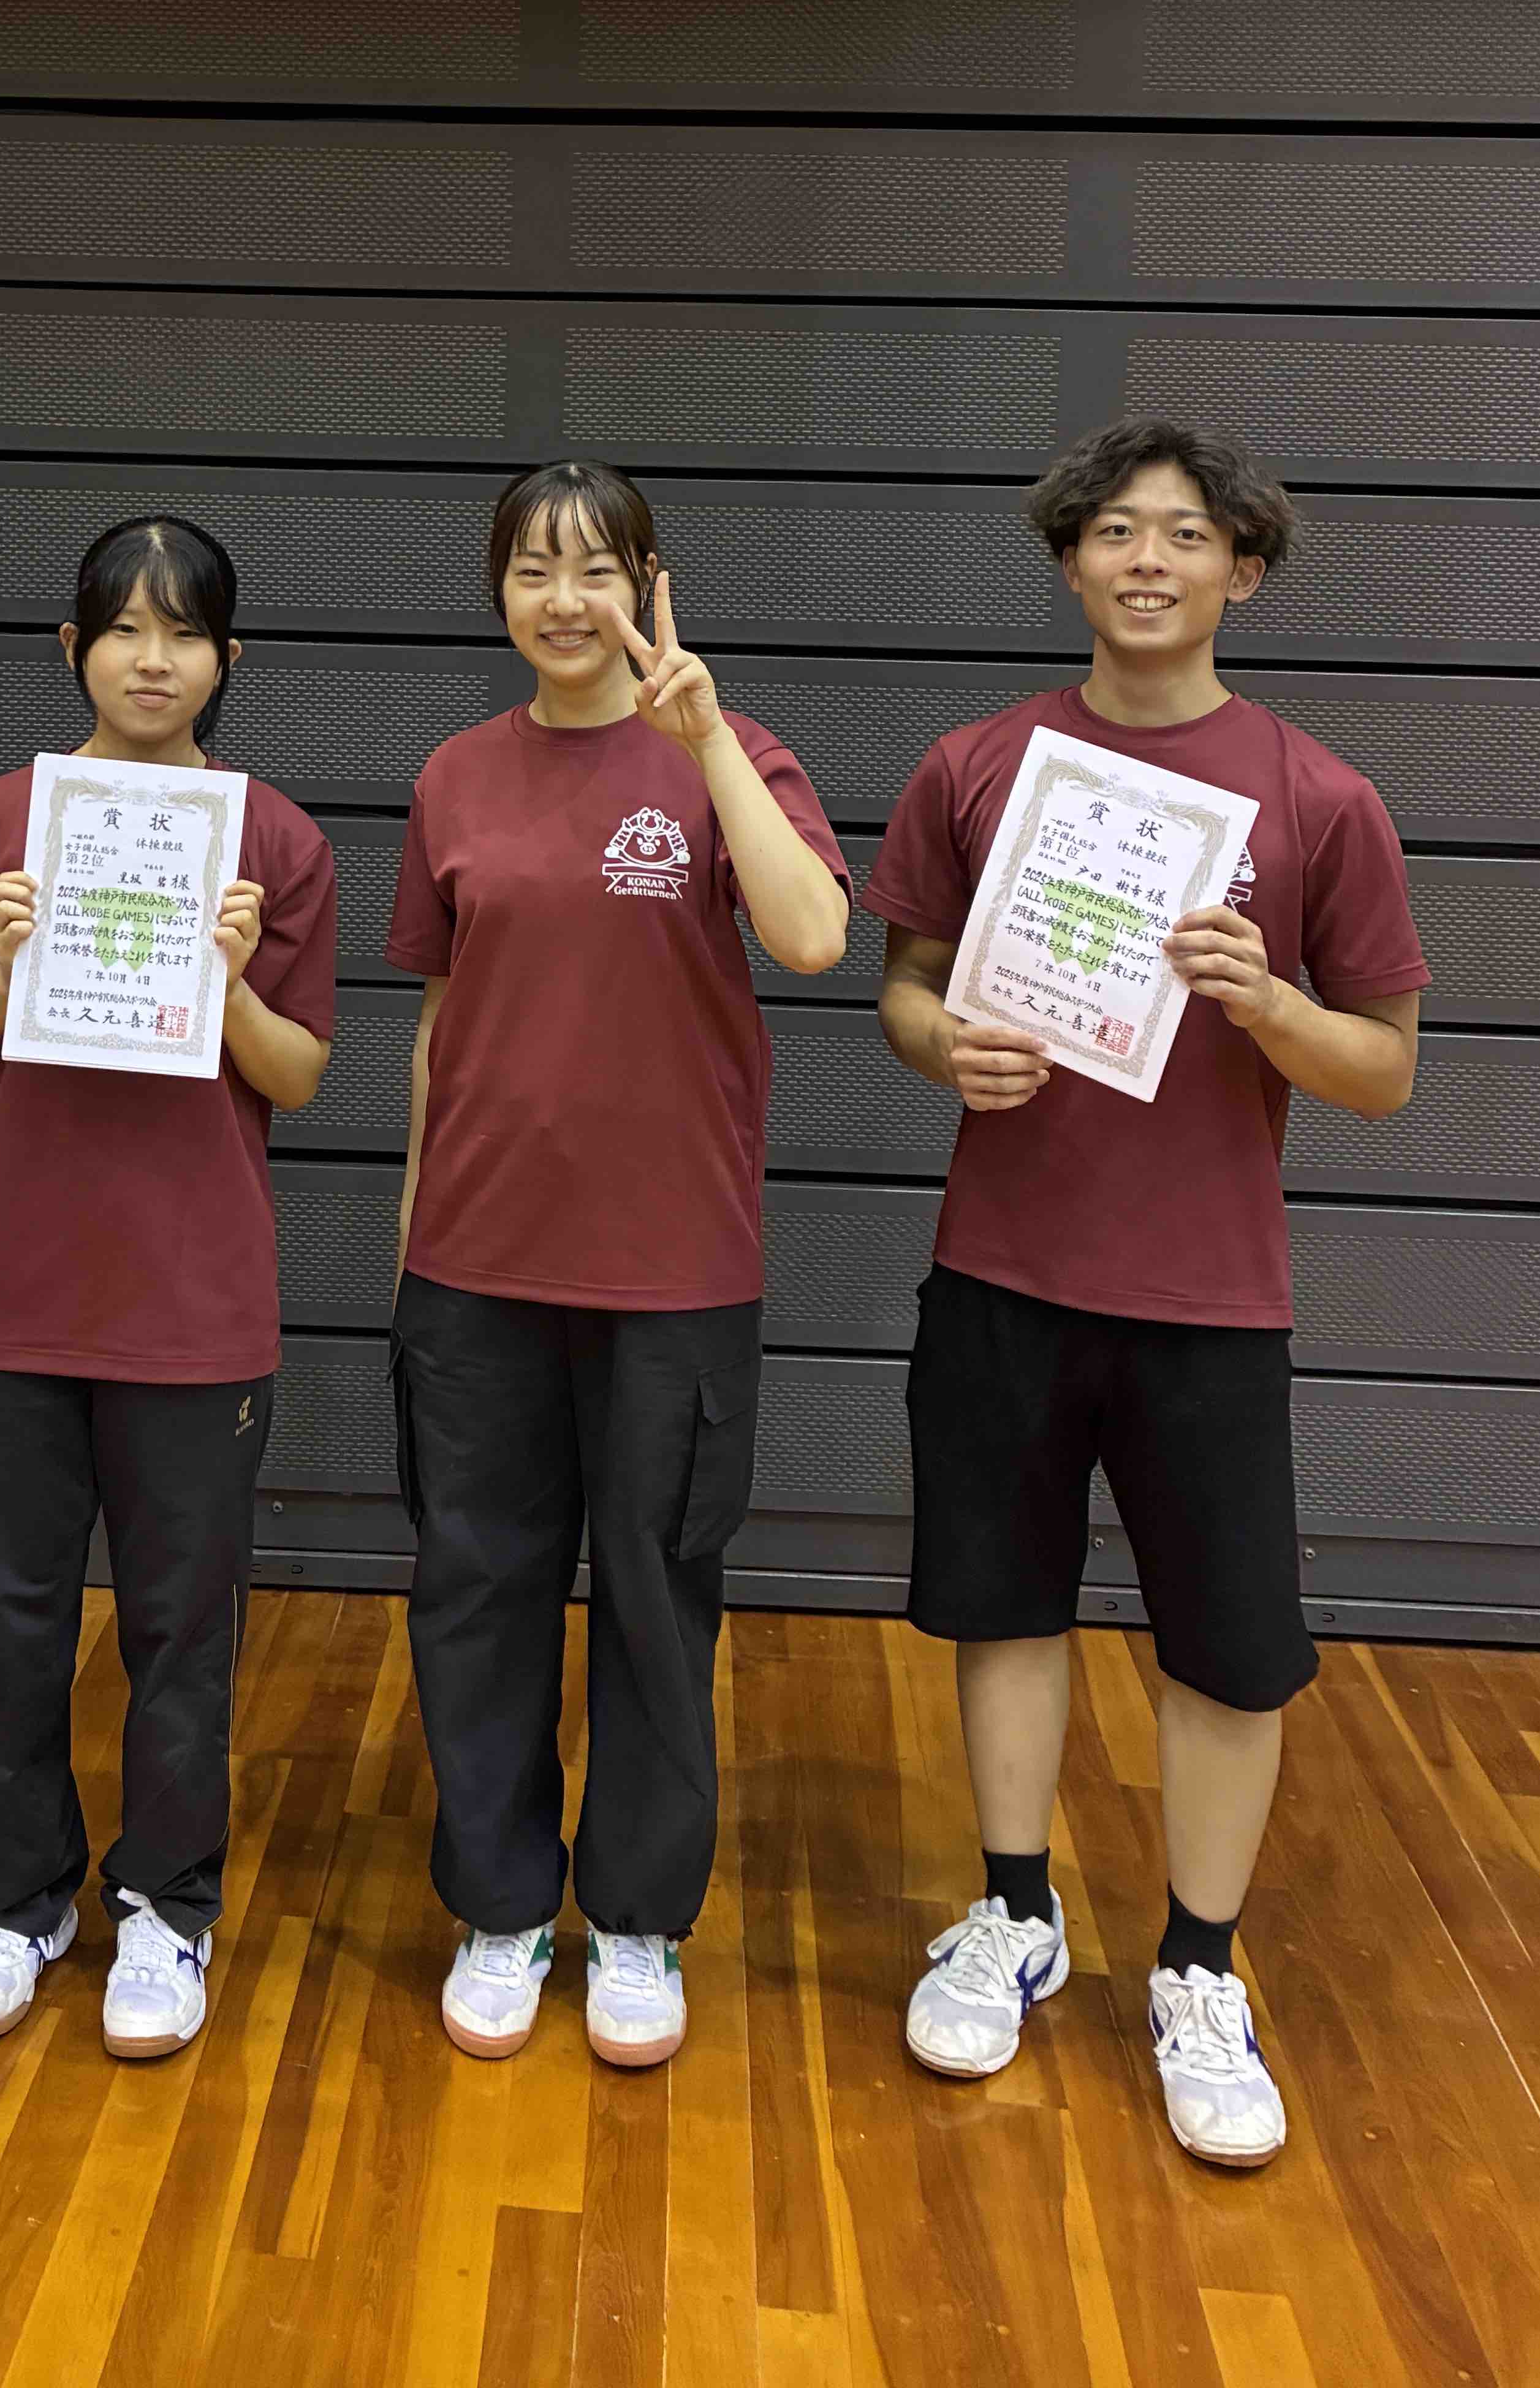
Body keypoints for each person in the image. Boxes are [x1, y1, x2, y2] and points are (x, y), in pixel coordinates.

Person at [867, 420, 1428, 2167]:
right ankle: (1014, 1912)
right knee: (1004, 1607)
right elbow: (904, 981)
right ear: (1068, 560)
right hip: (1001, 1273)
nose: (1146, 561)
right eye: (1114, 531)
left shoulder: (1317, 799)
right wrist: (942, 1046)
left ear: (1240, 571)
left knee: (1230, 1652)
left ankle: (1197, 1966)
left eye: (1185, 535)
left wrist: (1267, 1003)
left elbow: (1385, 1069)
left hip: (1209, 1298)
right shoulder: (981, 768)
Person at [387, 459, 849, 2070]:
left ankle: (638, 1918)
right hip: (477, 1265)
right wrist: (412, 1231)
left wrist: (706, 741)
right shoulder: (455, 775)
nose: (564, 601)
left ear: (648, 585)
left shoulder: (732, 753)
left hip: (673, 1269)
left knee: (656, 1597)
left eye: (596, 569)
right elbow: (442, 1016)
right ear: (499, 592)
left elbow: (812, 938)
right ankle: (501, 1906)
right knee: (479, 1591)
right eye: (532, 570)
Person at [0, 515, 336, 2061]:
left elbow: (301, 1073)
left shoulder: (274, 842)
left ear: (228, 659)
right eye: (126, 630)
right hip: (7, 1294)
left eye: (186, 633)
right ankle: (19, 1901)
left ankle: (167, 1905)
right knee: (3, 1623)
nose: (155, 661)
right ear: (71, 649)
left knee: (181, 1632)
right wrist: (5, 971)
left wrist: (229, 979)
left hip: (194, 1305)